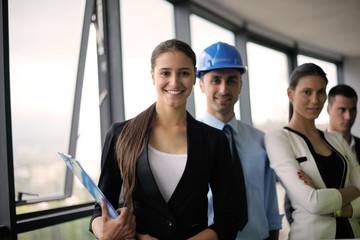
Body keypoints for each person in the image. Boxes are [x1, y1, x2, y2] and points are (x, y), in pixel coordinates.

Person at [90, 39, 240, 240]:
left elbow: (228, 219)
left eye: (184, 73)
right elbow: (100, 209)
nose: (175, 82)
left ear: (195, 77)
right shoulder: (121, 134)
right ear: (153, 75)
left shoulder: (214, 140)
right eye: (165, 73)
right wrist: (105, 232)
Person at [197, 41, 282, 240]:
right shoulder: (189, 141)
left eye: (231, 80)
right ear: (201, 84)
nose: (224, 89)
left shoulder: (261, 140)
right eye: (215, 80)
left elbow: (270, 207)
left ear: (240, 86)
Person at [265, 63, 360, 239]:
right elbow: (314, 203)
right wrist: (354, 191)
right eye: (307, 92)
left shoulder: (336, 139)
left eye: (321, 92)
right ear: (290, 94)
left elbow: (320, 201)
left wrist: (333, 205)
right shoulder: (278, 138)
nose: (315, 100)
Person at [327, 84, 359, 163]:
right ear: (328, 110)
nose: (348, 117)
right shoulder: (317, 145)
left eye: (353, 109)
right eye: (342, 110)